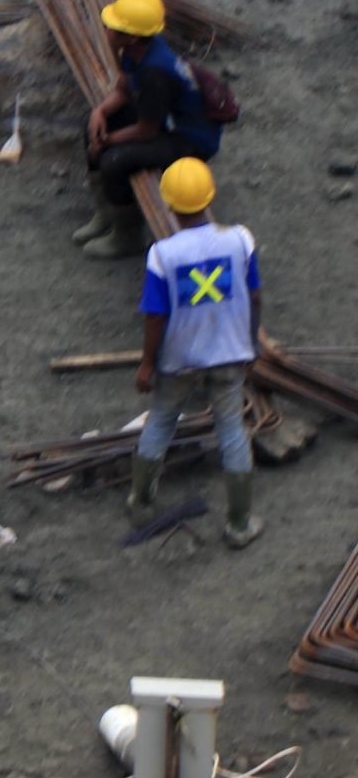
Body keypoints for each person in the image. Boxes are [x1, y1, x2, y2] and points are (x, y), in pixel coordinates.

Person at [127, 157, 261, 548]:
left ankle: (141, 502)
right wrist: (250, 342)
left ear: (167, 204)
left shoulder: (162, 255)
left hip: (179, 358)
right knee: (232, 431)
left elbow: (155, 316)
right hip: (230, 353)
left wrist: (148, 363)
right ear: (209, 197)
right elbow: (255, 293)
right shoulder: (239, 239)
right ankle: (239, 524)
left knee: (162, 421)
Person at [77, 0, 223, 260]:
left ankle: (127, 236)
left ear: (131, 36)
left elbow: (147, 130)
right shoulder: (138, 50)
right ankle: (106, 213)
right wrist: (100, 111)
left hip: (188, 140)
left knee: (115, 161)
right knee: (93, 124)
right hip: (163, 119)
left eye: (112, 28)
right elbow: (123, 88)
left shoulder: (155, 72)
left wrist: (105, 143)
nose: (105, 30)